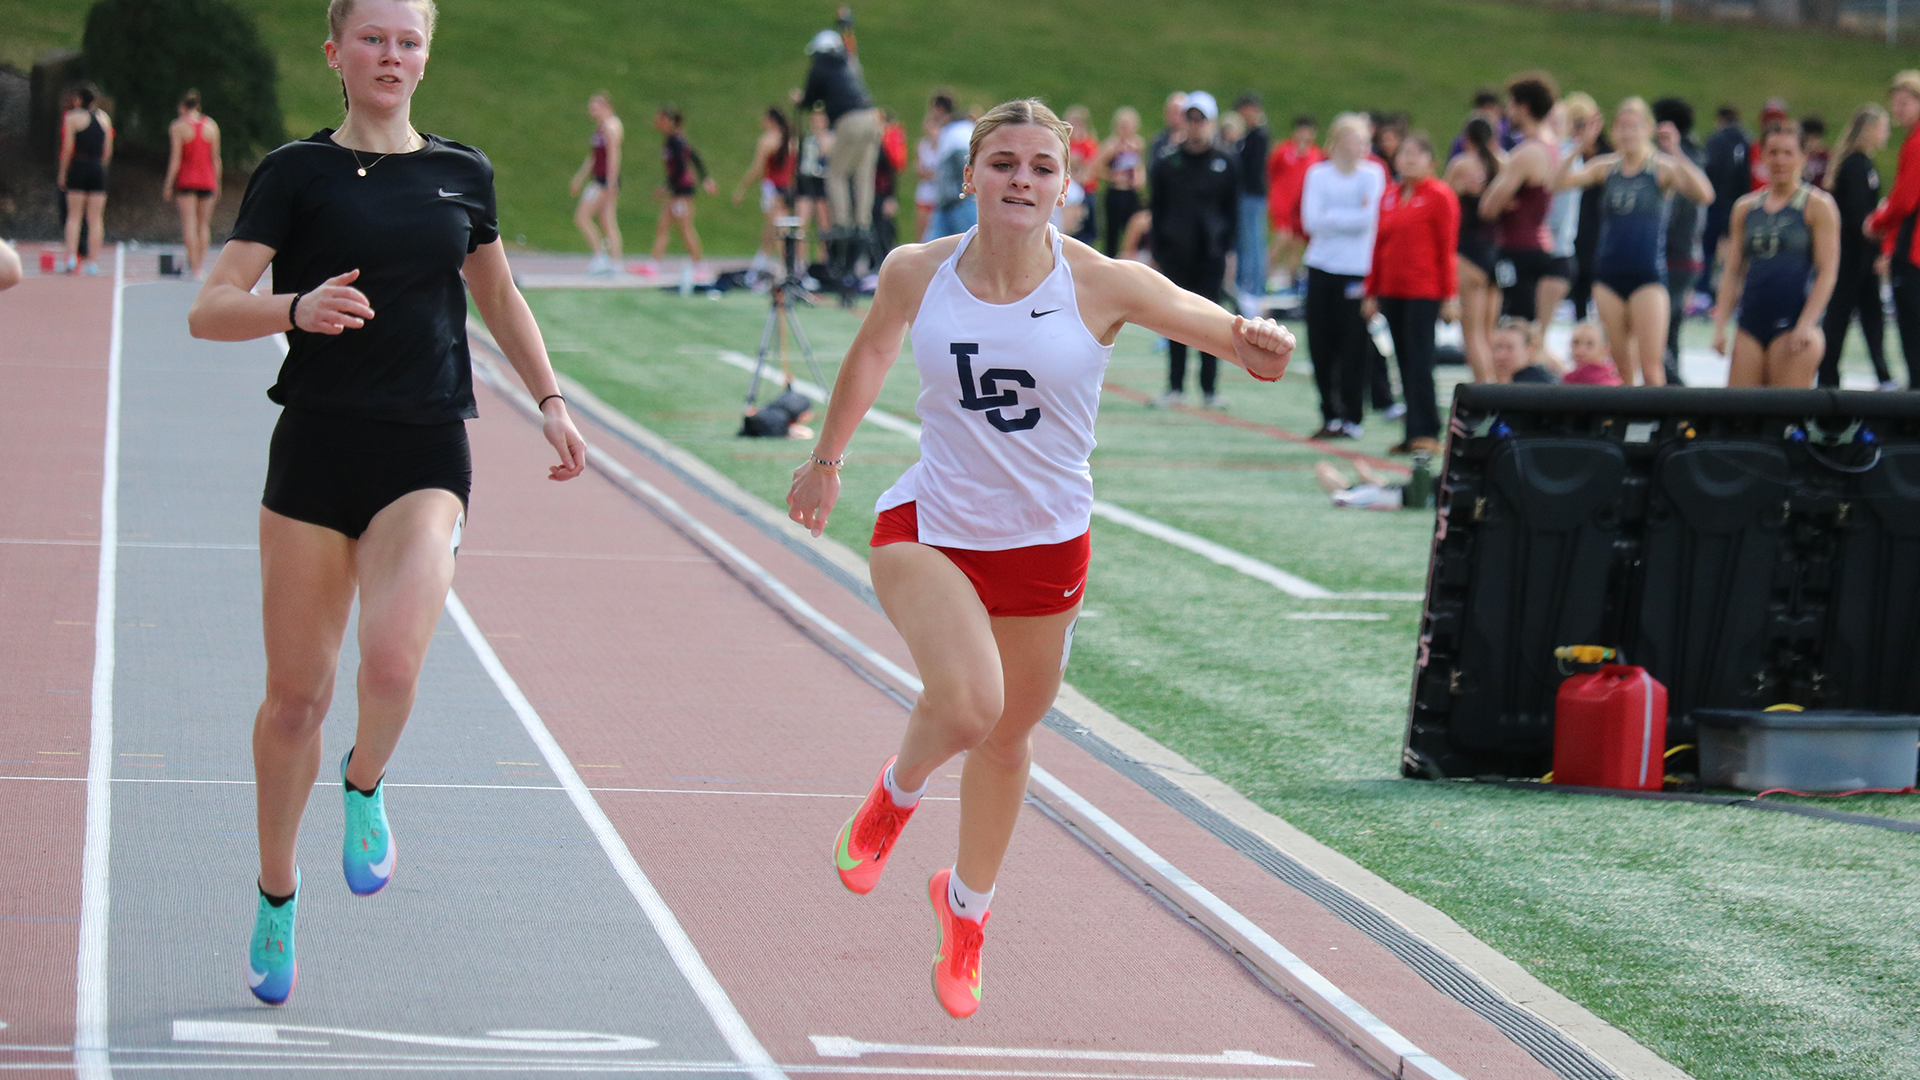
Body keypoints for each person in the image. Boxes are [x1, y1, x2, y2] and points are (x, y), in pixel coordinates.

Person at [785, 98, 1292, 1020]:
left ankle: (965, 911)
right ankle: (895, 796)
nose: (1022, 180)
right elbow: (870, 354)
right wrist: (826, 462)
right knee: (968, 705)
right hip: (931, 527)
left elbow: (1222, 332)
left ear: (1066, 187)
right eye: (1004, 163)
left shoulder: (1103, 283)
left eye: (1041, 168)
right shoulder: (916, 270)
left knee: (1008, 738)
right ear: (971, 174)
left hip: (1046, 546)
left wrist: (1260, 344)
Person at [184, 0, 587, 1008]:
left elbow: (498, 295)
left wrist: (549, 399)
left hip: (424, 449)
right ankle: (277, 892)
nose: (391, 55)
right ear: (336, 53)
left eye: (409, 41)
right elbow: (208, 307)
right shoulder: (295, 173)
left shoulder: (462, 172)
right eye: (373, 38)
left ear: (426, 57)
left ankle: (363, 782)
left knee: (395, 658)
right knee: (295, 702)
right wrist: (295, 308)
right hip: (316, 455)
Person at [1557, 97, 1713, 386]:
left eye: (1635, 126)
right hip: (1608, 276)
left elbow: (1704, 194)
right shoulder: (1606, 168)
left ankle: (1655, 416)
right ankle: (1625, 417)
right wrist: (1579, 147)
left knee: (1651, 369)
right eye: (1623, 127)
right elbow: (1556, 184)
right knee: (1621, 369)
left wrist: (1676, 152)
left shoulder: (1661, 168)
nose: (1628, 133)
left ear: (1648, 130)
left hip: (1647, 277)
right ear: (1614, 131)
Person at [1713, 120, 1840, 388]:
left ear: (1802, 158)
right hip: (1750, 325)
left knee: (1784, 410)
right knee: (1739, 409)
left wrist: (1807, 323)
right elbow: (1732, 270)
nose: (1780, 160)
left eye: (1788, 153)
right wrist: (1720, 324)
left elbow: (1827, 271)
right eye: (1773, 152)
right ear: (1762, 157)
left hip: (1793, 325)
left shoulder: (1817, 206)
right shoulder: (1745, 208)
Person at [1364, 131, 1456, 454]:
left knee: (1420, 360)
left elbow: (1447, 249)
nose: (1409, 159)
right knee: (1402, 361)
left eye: (1417, 153)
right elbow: (1378, 245)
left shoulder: (1439, 195)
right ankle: (1411, 431)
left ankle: (1428, 430)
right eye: (1404, 153)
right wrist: (1371, 291)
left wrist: (1449, 296)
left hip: (1423, 290)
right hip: (1392, 290)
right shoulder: (1389, 195)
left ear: (1431, 161)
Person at [1147, 91, 1240, 409]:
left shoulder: (1226, 162)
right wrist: (1158, 249)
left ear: (1211, 122)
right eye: (1191, 118)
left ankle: (1209, 388)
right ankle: (1175, 386)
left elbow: (1232, 210)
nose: (1196, 124)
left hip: (1211, 253)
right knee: (1175, 320)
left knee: (1212, 321)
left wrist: (1228, 249)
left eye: (1202, 119)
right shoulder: (1167, 162)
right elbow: (1157, 208)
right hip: (1176, 252)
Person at [1302, 113, 1387, 439]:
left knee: (1353, 344)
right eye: (1354, 140)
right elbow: (1311, 221)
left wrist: (1333, 217)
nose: (1360, 147)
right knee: (1320, 343)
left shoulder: (1373, 174)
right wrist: (1347, 217)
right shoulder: (1318, 174)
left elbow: (1370, 219)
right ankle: (1329, 413)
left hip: (1356, 270)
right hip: (1321, 266)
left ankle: (1353, 415)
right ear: (1337, 141)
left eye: (1364, 141)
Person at [1480, 72, 1559, 361]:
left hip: (1517, 247)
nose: (1507, 111)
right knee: (1529, 331)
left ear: (1523, 108)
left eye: (1511, 104)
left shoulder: (1527, 152)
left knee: (1514, 330)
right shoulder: (1551, 145)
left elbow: (1488, 207)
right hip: (1538, 243)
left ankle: (1524, 381)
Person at [1820, 103, 1896, 389]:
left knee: (1871, 315)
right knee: (1841, 315)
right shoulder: (1856, 166)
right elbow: (1856, 215)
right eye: (1883, 127)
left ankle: (1882, 375)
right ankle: (1828, 376)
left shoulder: (1863, 164)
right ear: (1870, 130)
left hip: (1861, 253)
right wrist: (1878, 229)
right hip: (1852, 254)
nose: (1886, 134)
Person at [799, 26, 881, 278]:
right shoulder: (847, 63)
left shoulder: (821, 66)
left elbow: (810, 97)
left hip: (849, 120)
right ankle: (862, 222)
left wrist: (800, 101)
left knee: (836, 173)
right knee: (862, 174)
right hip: (872, 118)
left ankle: (843, 223)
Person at [1866, 71, 1920, 389]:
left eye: (1904, 103)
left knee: (1912, 329)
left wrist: (1876, 223)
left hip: (1913, 253)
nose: (1897, 110)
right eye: (1895, 103)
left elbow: (1905, 200)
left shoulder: (1916, 144)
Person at [1653, 96, 1707, 384]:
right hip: (1689, 253)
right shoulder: (1696, 155)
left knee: (1657, 330)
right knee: (1671, 329)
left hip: (1671, 253)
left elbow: (1671, 212)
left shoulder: (1669, 160)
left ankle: (1674, 386)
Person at [1447, 117, 1504, 383]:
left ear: (1466, 140)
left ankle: (1486, 392)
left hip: (1469, 254)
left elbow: (1445, 204)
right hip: (1496, 254)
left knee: (1472, 335)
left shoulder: (1463, 165)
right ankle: (1496, 388)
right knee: (1488, 334)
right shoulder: (1504, 163)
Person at [647, 106, 718, 280]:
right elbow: (693, 156)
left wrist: (666, 186)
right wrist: (705, 178)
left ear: (668, 121)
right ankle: (653, 265)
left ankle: (699, 266)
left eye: (660, 119)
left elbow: (680, 166)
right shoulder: (674, 139)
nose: (656, 123)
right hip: (677, 190)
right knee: (663, 225)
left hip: (682, 191)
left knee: (685, 229)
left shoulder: (675, 141)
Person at [162, 89, 222, 279]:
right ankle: (199, 265)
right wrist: (217, 183)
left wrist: (168, 184)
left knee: (189, 223)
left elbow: (176, 159)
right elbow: (216, 159)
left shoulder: (178, 126)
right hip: (207, 180)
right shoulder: (211, 126)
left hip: (187, 180)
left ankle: (192, 266)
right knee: (203, 225)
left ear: (182, 107)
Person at [733, 106, 796, 279]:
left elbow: (757, 168)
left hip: (772, 188)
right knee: (771, 228)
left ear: (770, 121)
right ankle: (760, 264)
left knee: (777, 230)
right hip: (787, 188)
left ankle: (789, 268)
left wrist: (742, 188)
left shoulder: (768, 140)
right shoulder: (791, 140)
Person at [58, 83, 113, 276]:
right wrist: (100, 166)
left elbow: (67, 148)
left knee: (74, 216)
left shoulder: (72, 117)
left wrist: (63, 172)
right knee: (96, 218)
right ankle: (93, 262)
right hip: (97, 168)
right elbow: (107, 151)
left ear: (79, 100)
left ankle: (72, 259)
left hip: (79, 166)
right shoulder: (104, 118)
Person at [1266, 115, 1323, 297]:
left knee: (1296, 244)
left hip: (1302, 205)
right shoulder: (1283, 151)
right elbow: (1270, 172)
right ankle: (1264, 274)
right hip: (1282, 201)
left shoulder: (1316, 155)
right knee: (1283, 236)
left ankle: (1290, 281)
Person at [568, 92, 624, 276]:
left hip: (604, 181)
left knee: (582, 216)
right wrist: (579, 177)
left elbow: (614, 155)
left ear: (606, 107)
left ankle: (602, 257)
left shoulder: (611, 126)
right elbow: (594, 157)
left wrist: (611, 183)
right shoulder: (600, 128)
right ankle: (613, 262)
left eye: (595, 108)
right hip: (598, 178)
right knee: (606, 220)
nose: (592, 112)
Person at [1700, 105, 1752, 297]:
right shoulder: (1747, 142)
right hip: (1738, 203)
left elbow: (1709, 169)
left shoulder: (1715, 141)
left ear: (1720, 119)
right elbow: (1747, 175)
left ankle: (1704, 289)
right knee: (1736, 251)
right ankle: (1733, 291)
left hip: (1715, 203)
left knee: (1707, 249)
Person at [1232, 92, 1270, 316]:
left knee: (1252, 243)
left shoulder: (1259, 136)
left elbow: (1250, 168)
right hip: (1249, 195)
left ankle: (1252, 289)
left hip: (1251, 195)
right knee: (1249, 242)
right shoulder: (1252, 135)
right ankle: (1248, 288)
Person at [1094, 106, 1146, 258]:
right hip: (1116, 192)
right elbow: (1096, 167)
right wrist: (1113, 176)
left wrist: (1140, 178)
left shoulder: (1137, 144)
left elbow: (1140, 165)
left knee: (1132, 226)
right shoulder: (1111, 145)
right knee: (1113, 231)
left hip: (1131, 192)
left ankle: (1129, 255)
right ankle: (1110, 257)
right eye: (1123, 126)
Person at [924, 100, 976, 241]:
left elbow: (967, 168)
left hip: (959, 203)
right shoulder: (958, 132)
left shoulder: (957, 134)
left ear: (940, 110)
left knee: (968, 244)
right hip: (947, 203)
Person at [794, 107, 834, 263]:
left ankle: (823, 260)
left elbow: (826, 154)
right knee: (801, 223)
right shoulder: (807, 140)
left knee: (824, 225)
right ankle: (800, 261)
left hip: (821, 181)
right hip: (806, 180)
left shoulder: (830, 138)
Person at [1490, 317, 1556, 382]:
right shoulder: (1486, 381)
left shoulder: (1540, 383)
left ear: (1529, 350)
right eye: (1497, 347)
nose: (1501, 355)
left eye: (1509, 348)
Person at [1562, 319, 1624, 384]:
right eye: (1576, 342)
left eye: (1590, 344)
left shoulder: (1605, 381)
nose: (1581, 350)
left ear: (1606, 349)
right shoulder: (1613, 373)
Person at [913, 107, 941, 245]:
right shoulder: (922, 145)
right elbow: (919, 169)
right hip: (925, 192)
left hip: (939, 194)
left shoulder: (944, 145)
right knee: (922, 230)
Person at [1148, 91, 1187, 160]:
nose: (1175, 117)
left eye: (1178, 112)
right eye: (1171, 112)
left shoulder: (1194, 142)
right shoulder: (1158, 141)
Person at [1801, 115, 1831, 189]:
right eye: (1807, 139)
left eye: (1813, 138)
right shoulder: (1800, 156)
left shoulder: (1826, 157)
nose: (1810, 143)